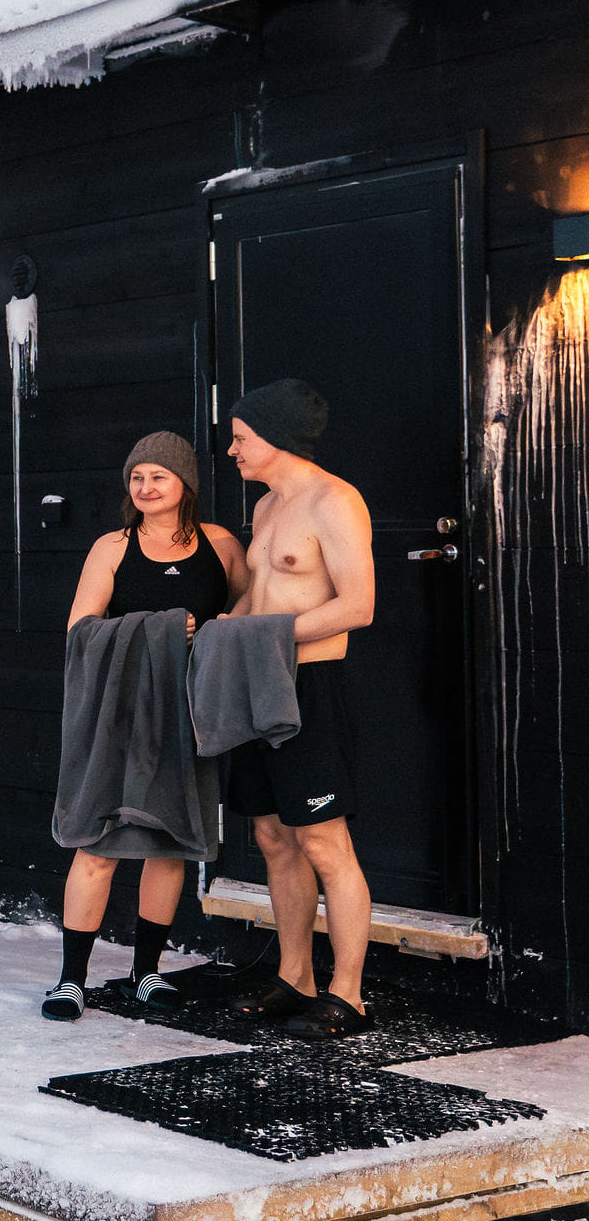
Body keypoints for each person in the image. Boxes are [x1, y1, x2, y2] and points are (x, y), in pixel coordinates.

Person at [42, 431, 247, 1020]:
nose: (146, 487)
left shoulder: (221, 545)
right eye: (137, 477)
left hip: (190, 714)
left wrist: (212, 630)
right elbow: (79, 630)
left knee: (171, 845)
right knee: (97, 843)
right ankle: (71, 979)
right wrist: (159, 628)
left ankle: (147, 973)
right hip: (118, 715)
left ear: (185, 482)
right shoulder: (113, 546)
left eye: (159, 476)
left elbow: (244, 612)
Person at [222, 379, 377, 1040]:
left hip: (310, 686)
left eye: (241, 438)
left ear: (276, 438)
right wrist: (216, 633)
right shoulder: (266, 506)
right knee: (272, 838)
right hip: (257, 685)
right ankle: (295, 977)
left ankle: (348, 992)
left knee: (323, 841)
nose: (231, 450)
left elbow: (358, 605)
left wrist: (267, 636)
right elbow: (258, 601)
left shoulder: (334, 501)